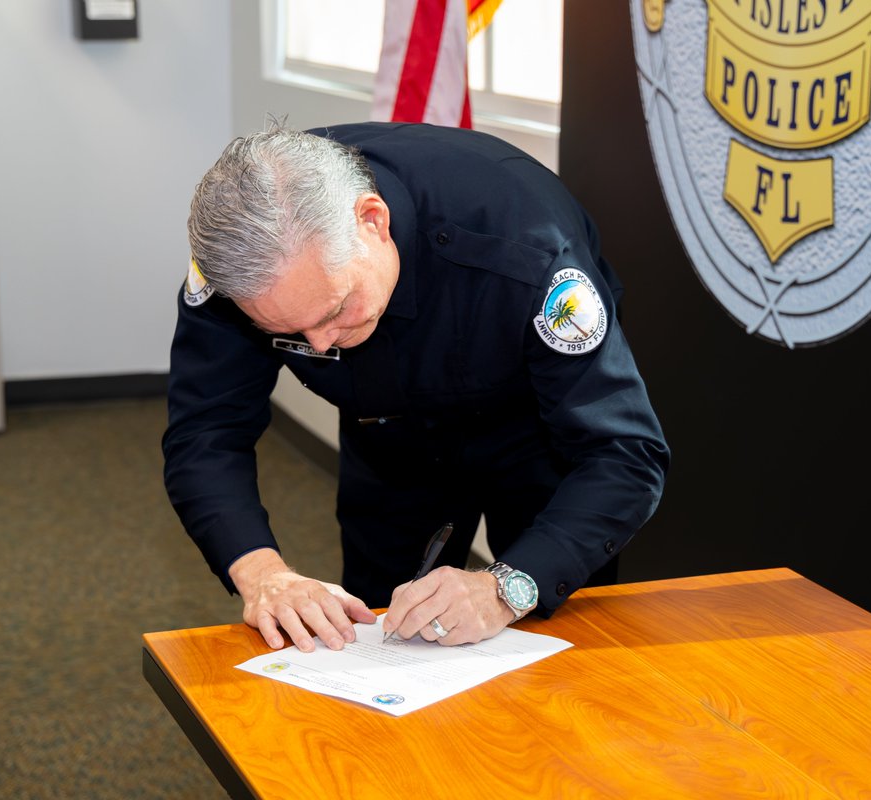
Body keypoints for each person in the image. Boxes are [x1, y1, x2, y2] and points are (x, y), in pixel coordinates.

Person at [163, 122, 668, 653]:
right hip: (387, 435)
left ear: (373, 222)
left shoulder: (526, 250)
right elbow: (205, 433)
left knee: (559, 649)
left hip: (537, 430)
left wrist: (505, 589)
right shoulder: (237, 266)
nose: (318, 344)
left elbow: (625, 454)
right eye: (287, 333)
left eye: (336, 309)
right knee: (382, 637)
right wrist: (262, 572)